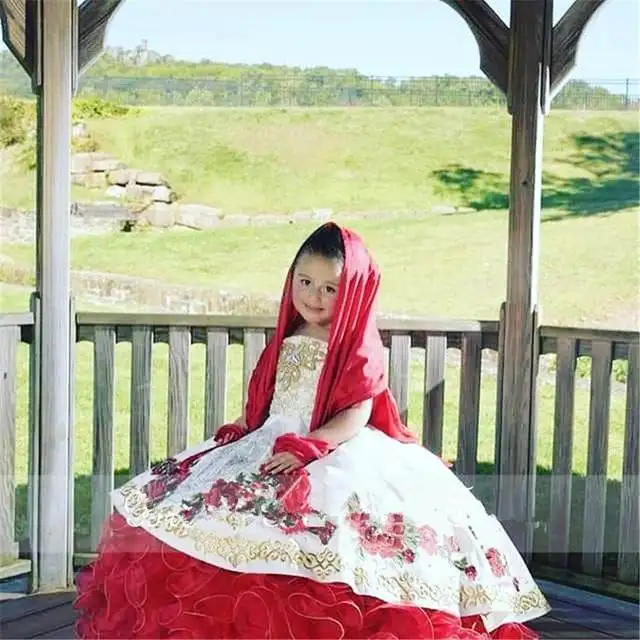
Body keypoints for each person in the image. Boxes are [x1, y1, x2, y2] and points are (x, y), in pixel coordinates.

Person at [74, 222, 550, 639]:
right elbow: (270, 395)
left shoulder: (357, 346)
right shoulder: (291, 334)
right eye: (305, 282)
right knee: (225, 524)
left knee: (334, 534)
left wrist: (313, 444)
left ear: (355, 292)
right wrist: (243, 426)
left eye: (329, 289)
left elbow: (356, 413)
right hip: (272, 435)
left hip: (329, 443)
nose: (314, 297)